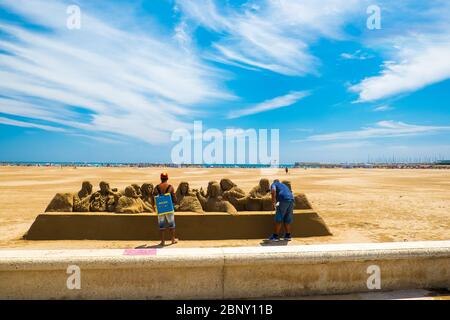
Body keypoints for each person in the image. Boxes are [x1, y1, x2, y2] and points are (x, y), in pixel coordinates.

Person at [153, 172, 178, 246]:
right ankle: (173, 240)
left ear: (161, 178)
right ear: (167, 178)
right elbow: (174, 199)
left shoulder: (157, 187)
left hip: (160, 208)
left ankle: (162, 241)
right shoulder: (170, 187)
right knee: (172, 224)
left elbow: (154, 197)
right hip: (169, 208)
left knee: (161, 225)